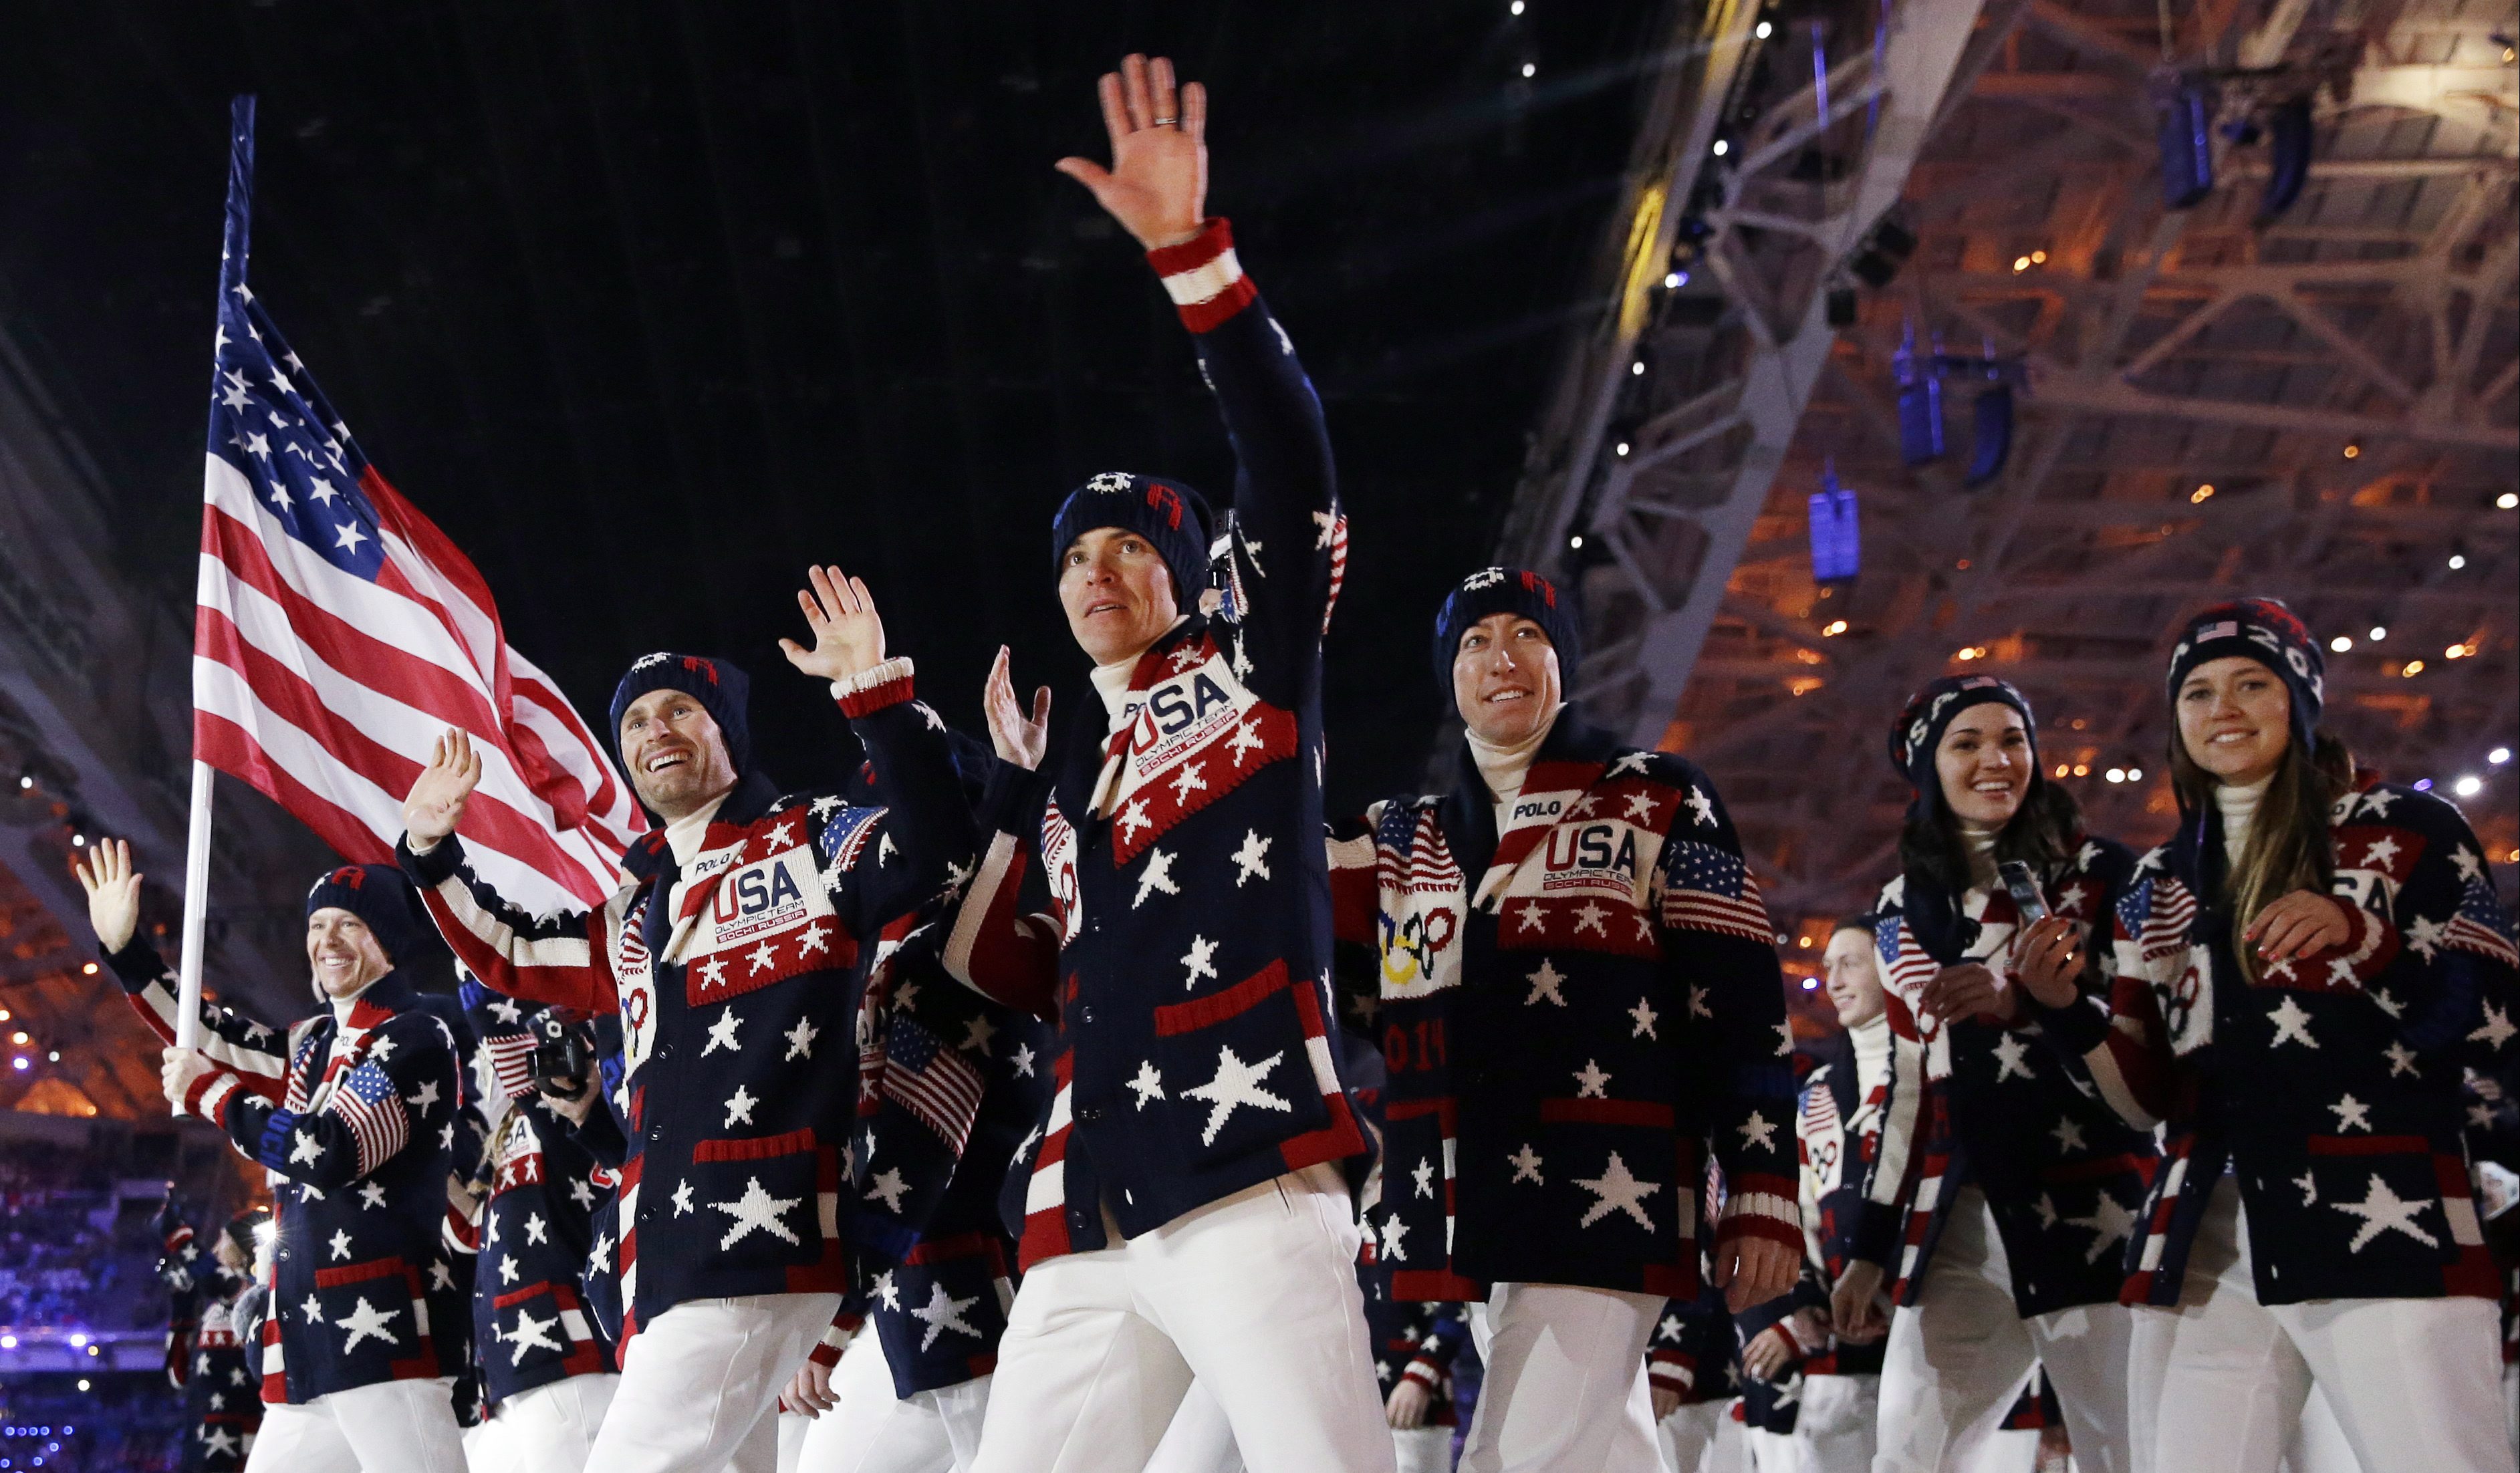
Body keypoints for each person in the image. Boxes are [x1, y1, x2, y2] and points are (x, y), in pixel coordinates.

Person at [940, 53, 1388, 1473]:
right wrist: (1013, 786)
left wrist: (1196, 263)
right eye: (1075, 554)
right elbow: (989, 970)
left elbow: (1292, 467)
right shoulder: (1074, 766)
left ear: (1191, 571)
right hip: (1087, 1197)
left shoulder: (1254, 663)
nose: (1097, 570)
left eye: (1131, 544)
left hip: (1248, 1159)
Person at [396, 564, 973, 1472]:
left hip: (757, 1240)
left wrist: (873, 691)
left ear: (727, 732)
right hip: (664, 1258)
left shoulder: (811, 836)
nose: (654, 730)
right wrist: (432, 853)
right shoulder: (637, 905)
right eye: (634, 720)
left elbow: (936, 845)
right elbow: (515, 952)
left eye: (679, 710)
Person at [2019, 597, 2520, 1473]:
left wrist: (2363, 938)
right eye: (2197, 692)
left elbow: (2492, 1020)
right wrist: (2063, 1012)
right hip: (2199, 1242)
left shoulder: (2405, 831)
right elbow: (2142, 1099)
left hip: (2383, 1218)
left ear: (2299, 699)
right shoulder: (2156, 881)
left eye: (2251, 683)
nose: (2223, 708)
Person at [1326, 564, 1800, 1473]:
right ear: (1450, 675)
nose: (1500, 657)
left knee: (1516, 1458)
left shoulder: (1660, 795)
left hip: (1605, 1192)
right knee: (1606, 1452)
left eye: (1526, 634)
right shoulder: (1396, 836)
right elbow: (1279, 906)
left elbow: (1741, 1006)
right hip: (1462, 1207)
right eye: (1474, 642)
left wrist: (1764, 1184)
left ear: (1564, 661)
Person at [1829, 674, 2153, 1473]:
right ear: (1926, 767)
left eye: (2012, 739)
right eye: (1966, 742)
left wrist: (2031, 1002)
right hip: (1958, 1226)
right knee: (1908, 1458)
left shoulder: (2101, 873)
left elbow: (2145, 1049)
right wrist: (1868, 1249)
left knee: (2125, 1452)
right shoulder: (1898, 906)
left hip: (2093, 1210)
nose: (1995, 759)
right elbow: (1907, 1084)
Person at [79, 846, 471, 1472]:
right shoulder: (314, 1044)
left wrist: (213, 1094)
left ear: (388, 942)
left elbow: (335, 1148)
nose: (327, 940)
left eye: (350, 923)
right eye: (317, 924)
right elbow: (210, 1036)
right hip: (306, 1344)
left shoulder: (413, 1035)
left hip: (382, 1334)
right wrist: (128, 954)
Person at [446, 985, 620, 1469]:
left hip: (567, 1352)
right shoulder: (514, 1127)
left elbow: (493, 1023)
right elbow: (471, 1232)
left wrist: (473, 961)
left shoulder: (575, 1120)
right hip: (513, 1361)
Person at [1782, 919, 1893, 1473]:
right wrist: (1807, 1296)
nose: (1834, 981)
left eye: (1851, 963)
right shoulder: (1817, 1092)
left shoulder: (1929, 1075)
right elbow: (1801, 1206)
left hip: (1928, 1327)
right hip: (1841, 1352)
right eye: (1829, 967)